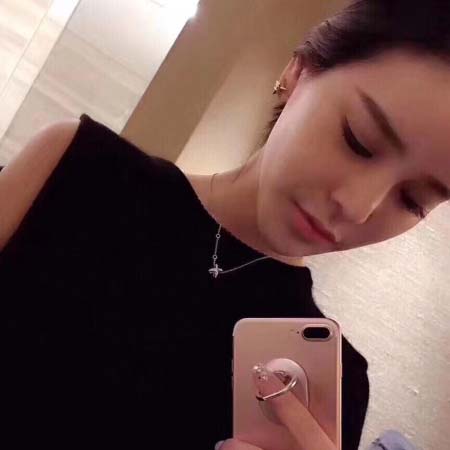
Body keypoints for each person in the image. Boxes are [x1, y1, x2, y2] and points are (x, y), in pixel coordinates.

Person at [3, 0, 450, 448]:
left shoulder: (335, 383)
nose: (357, 207)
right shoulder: (79, 167)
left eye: (413, 201)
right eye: (359, 140)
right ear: (298, 71)